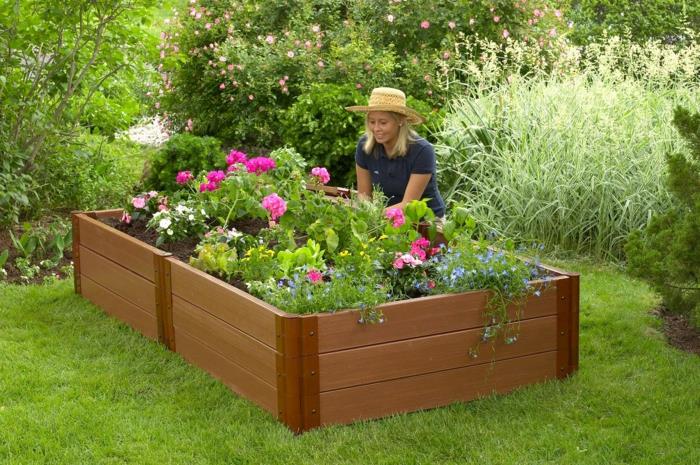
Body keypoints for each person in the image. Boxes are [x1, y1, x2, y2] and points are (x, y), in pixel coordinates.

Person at [346, 87, 446, 218]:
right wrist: (367, 213)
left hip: (426, 221)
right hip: (385, 216)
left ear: (400, 121)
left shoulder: (422, 151)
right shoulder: (365, 146)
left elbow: (408, 205)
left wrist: (375, 215)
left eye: (383, 122)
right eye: (372, 122)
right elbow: (364, 194)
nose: (376, 129)